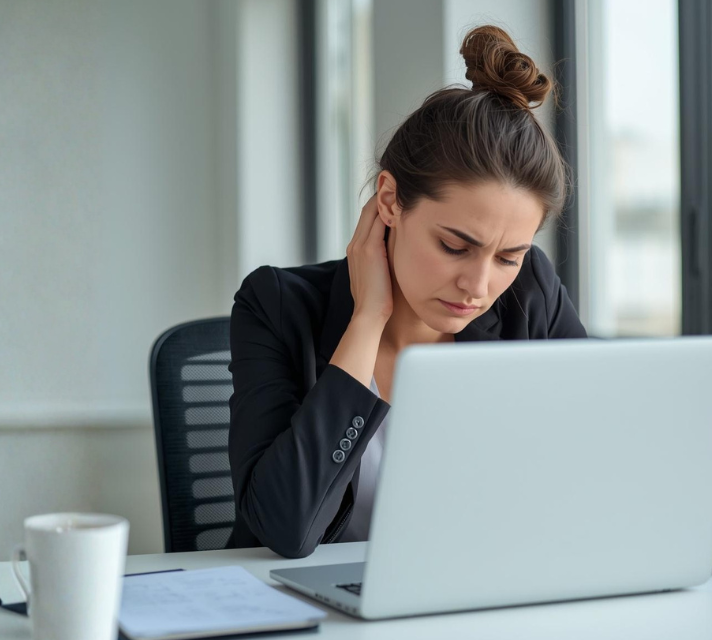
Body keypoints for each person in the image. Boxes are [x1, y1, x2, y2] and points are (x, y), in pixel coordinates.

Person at [227, 25, 587, 558]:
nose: (479, 285)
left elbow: (594, 469)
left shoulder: (531, 294)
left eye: (509, 255)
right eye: (454, 246)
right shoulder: (277, 307)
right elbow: (284, 527)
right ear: (390, 201)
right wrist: (367, 319)